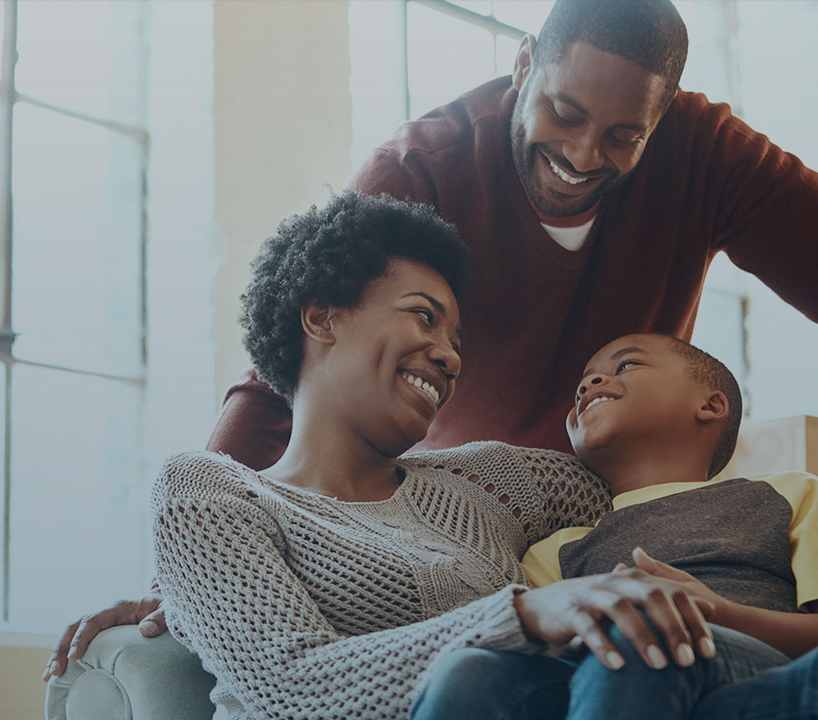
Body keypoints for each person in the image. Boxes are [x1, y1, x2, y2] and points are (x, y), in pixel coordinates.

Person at [48, 0, 818, 674]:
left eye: (624, 136)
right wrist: (187, 576)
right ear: (523, 64)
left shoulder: (709, 153)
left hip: (613, 502)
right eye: (566, 113)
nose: (584, 156)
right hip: (484, 529)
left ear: (665, 115)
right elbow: (287, 380)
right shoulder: (419, 172)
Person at [56, 191, 720, 717]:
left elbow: (656, 485)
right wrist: (526, 613)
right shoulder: (210, 489)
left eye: (457, 337)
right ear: (322, 317)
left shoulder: (493, 478)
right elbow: (294, 689)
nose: (452, 355)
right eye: (424, 317)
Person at [411, 333, 818, 720]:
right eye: (579, 389)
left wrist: (725, 615)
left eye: (626, 364)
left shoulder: (789, 493)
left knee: (643, 627)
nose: (590, 383)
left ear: (710, 406)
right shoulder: (556, 549)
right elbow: (545, 650)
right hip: (611, 688)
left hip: (764, 673)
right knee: (468, 672)